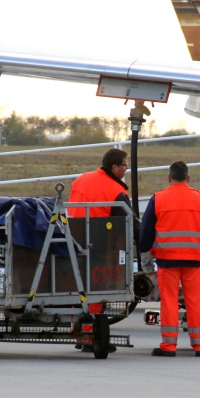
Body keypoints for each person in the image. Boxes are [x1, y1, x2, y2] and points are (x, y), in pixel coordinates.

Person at [138, 161, 200, 357]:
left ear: (169, 178)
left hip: (167, 260)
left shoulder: (158, 199)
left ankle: (169, 347)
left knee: (169, 302)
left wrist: (144, 254)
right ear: (188, 178)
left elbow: (146, 230)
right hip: (194, 260)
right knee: (195, 302)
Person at [67, 148, 140, 354]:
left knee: (79, 290)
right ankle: (92, 337)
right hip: (99, 246)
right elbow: (131, 225)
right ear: (114, 167)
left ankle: (79, 333)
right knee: (97, 293)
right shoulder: (115, 191)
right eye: (125, 165)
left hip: (74, 242)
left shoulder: (81, 179)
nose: (126, 169)